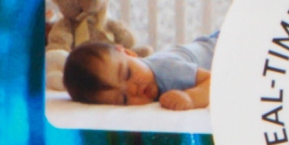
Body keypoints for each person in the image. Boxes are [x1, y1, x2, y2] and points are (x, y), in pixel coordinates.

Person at [63, 29, 217, 110]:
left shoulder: (167, 69)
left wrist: (190, 98)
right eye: (123, 99)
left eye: (128, 74)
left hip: (223, 46)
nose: (133, 89)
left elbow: (216, 82)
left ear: (129, 53)